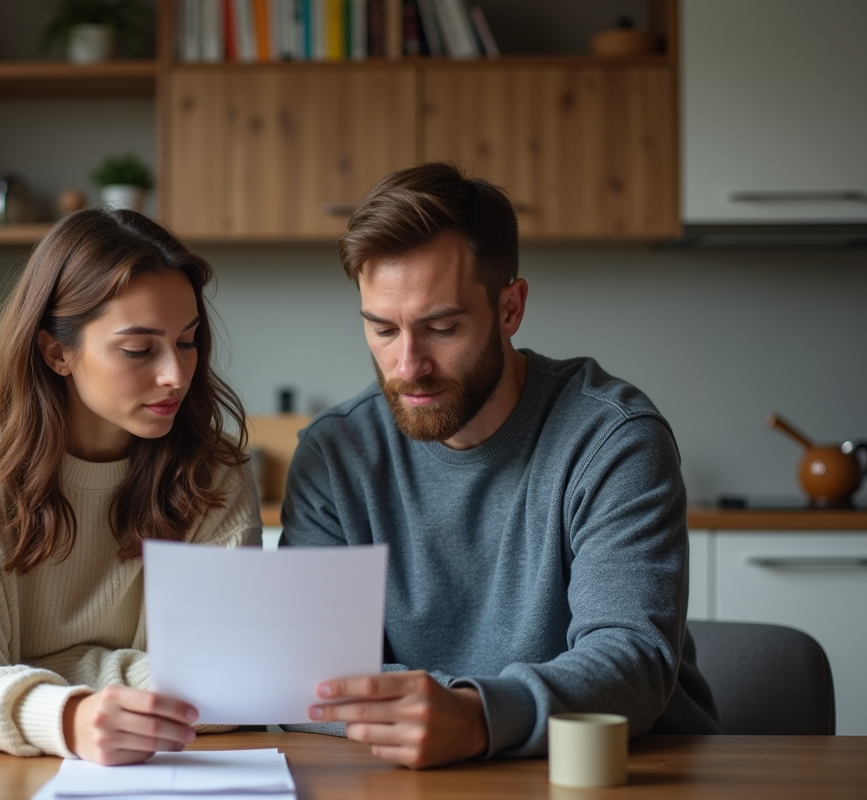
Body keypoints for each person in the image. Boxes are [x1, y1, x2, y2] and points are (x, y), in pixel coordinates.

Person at [280, 163, 719, 769]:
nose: (408, 365)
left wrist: (477, 714)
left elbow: (630, 659)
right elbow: (303, 666)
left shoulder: (613, 440)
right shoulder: (335, 457)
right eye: (382, 329)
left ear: (510, 309)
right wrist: (438, 715)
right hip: (414, 776)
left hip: (621, 771)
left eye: (442, 328)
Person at [0, 209, 261, 764]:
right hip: (2, 772)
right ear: (56, 352)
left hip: (164, 772)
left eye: (187, 342)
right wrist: (68, 715)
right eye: (139, 350)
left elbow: (235, 684)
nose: (176, 375)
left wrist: (43, 673)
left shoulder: (214, 475)